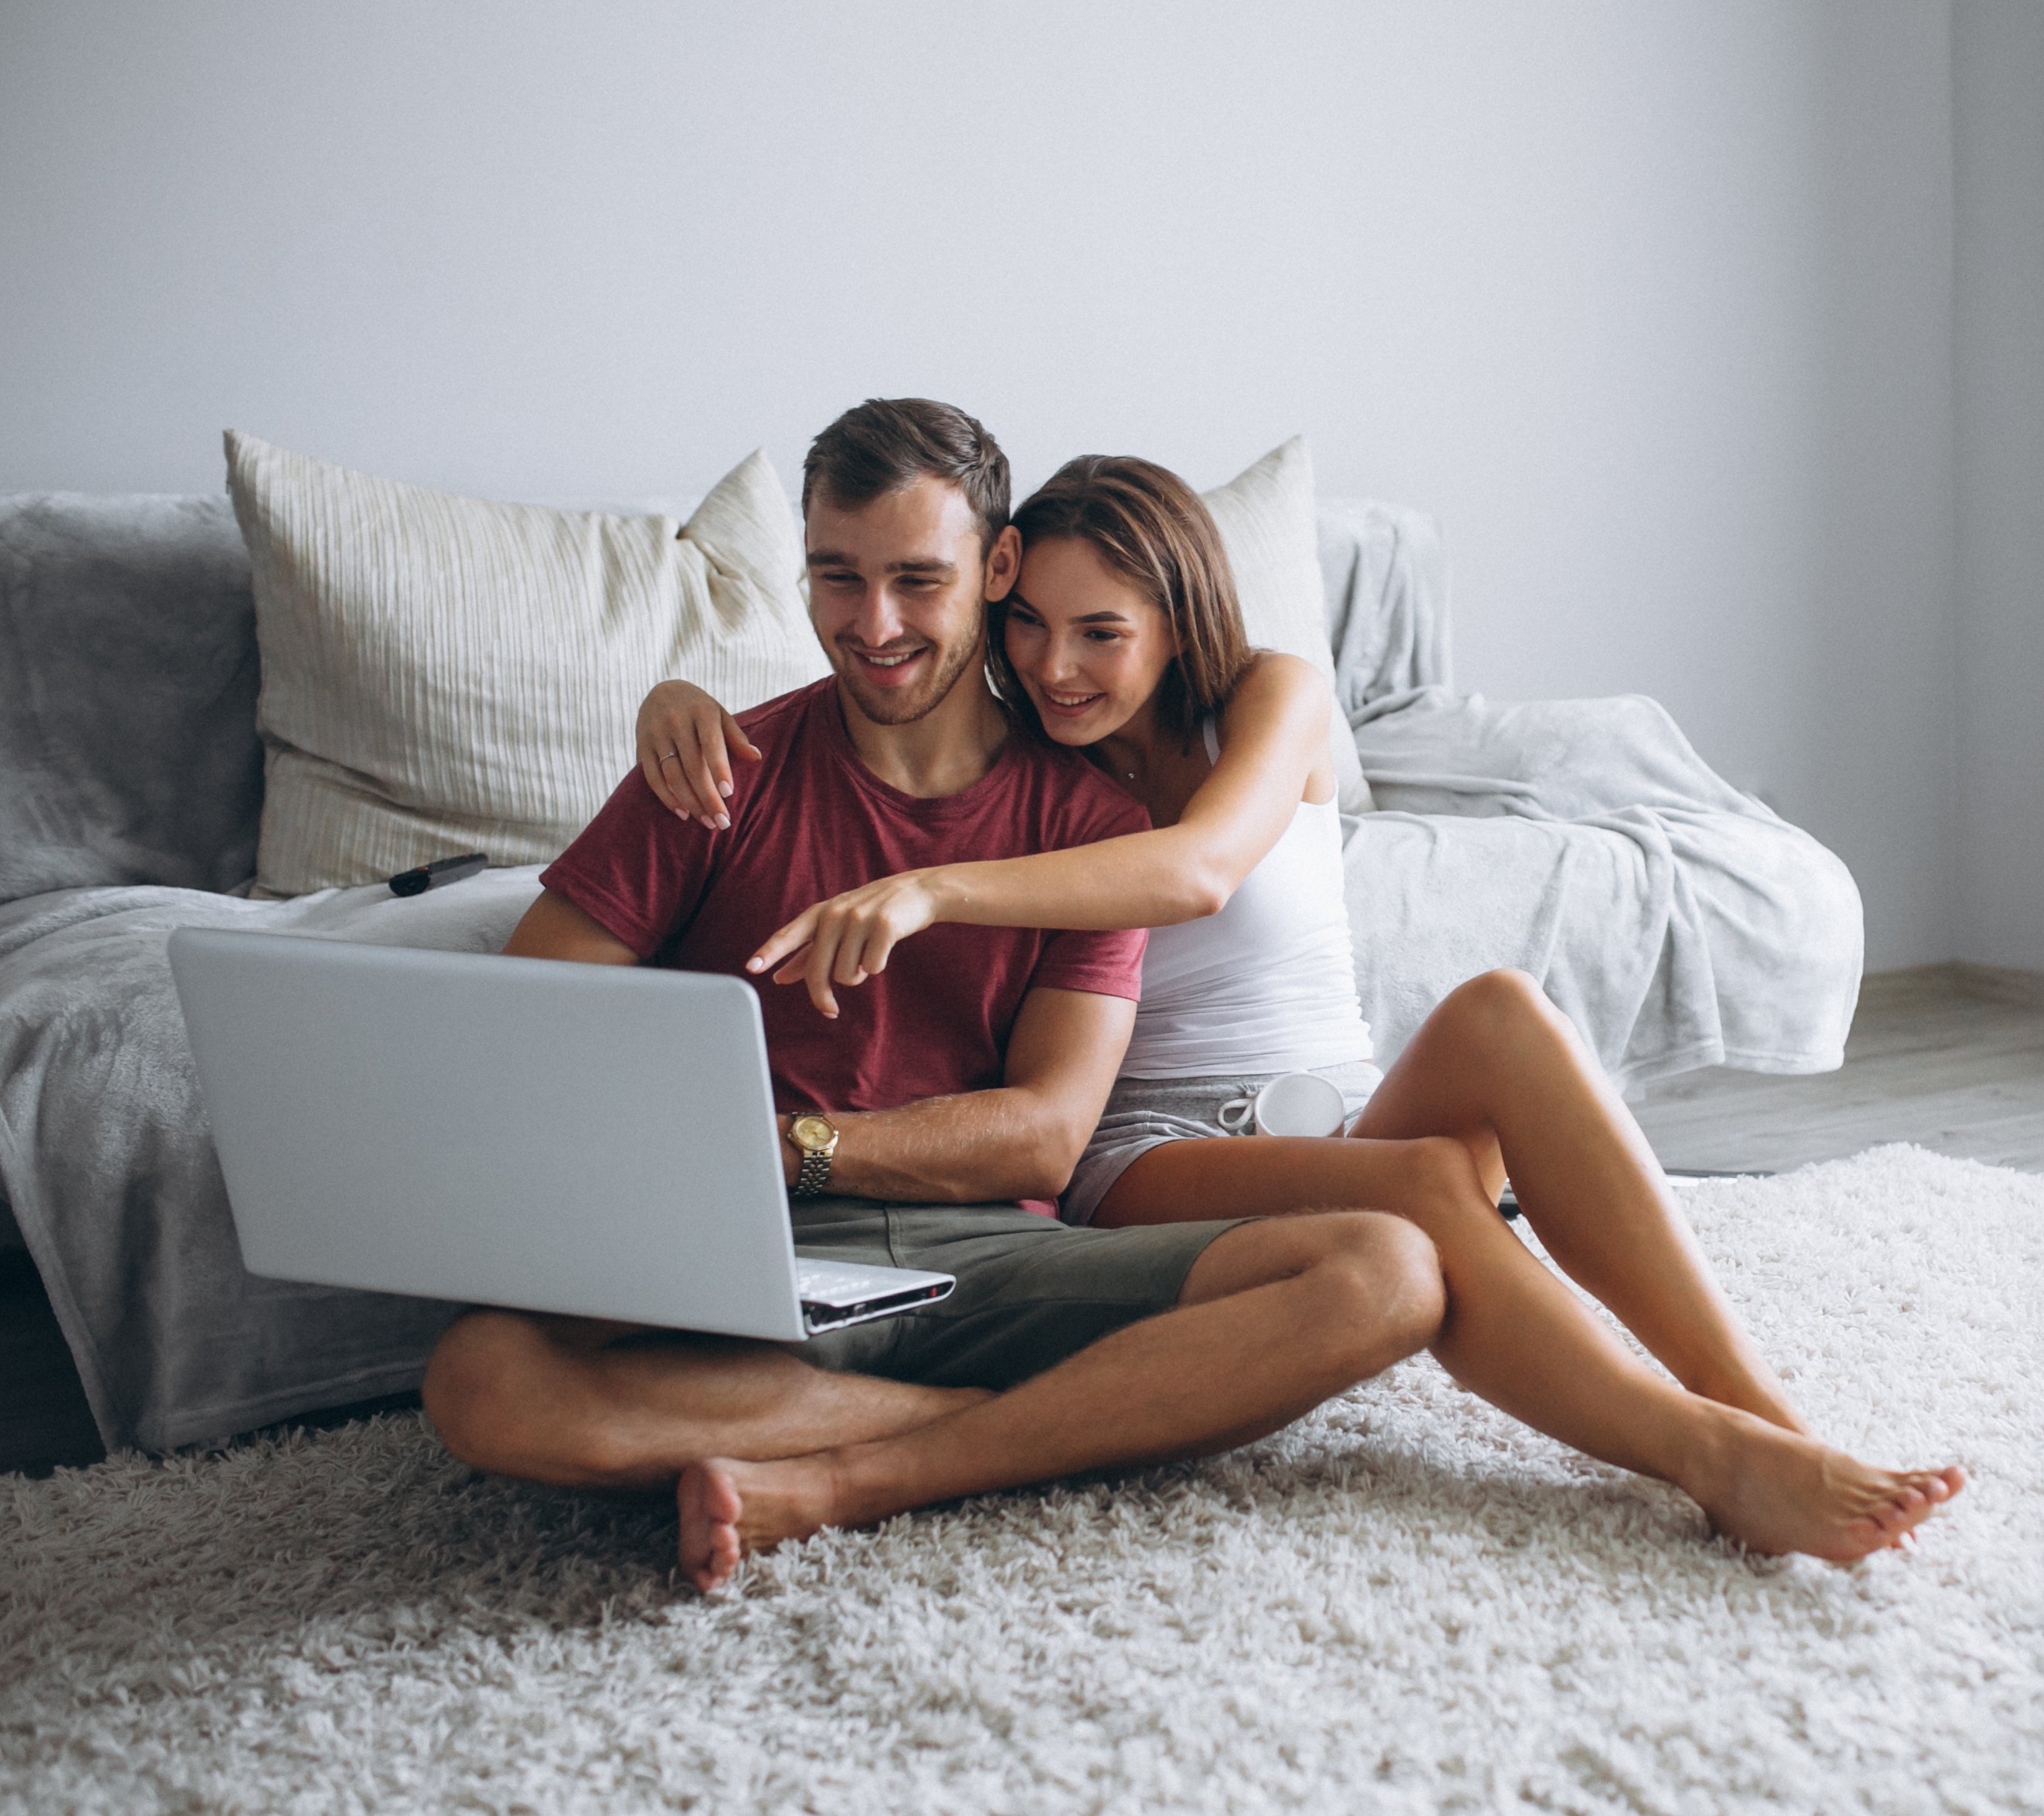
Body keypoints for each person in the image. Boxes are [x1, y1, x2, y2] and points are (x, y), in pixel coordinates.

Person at [633, 441, 1965, 1568]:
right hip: (1144, 1154)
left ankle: (1764, 1412)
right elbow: (864, 696)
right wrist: (674, 697)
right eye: (1030, 624)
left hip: (1341, 1104)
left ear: (1179, 620)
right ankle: (1708, 1457)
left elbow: (1202, 869)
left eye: (1103, 630)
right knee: (1428, 1186)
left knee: (1501, 1014)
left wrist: (934, 890)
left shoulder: (1273, 694)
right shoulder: (1026, 752)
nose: (1057, 666)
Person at [421, 399, 1452, 1595]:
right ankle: (1024, 1422)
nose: (876, 625)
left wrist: (793, 1147)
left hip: (989, 1257)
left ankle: (868, 1469)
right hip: (742, 1251)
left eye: (918, 579)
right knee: (479, 1377)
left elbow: (1050, 1130)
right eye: (836, 579)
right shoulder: (712, 774)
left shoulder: (1085, 822)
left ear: (995, 565)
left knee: (1386, 1272)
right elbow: (515, 1045)